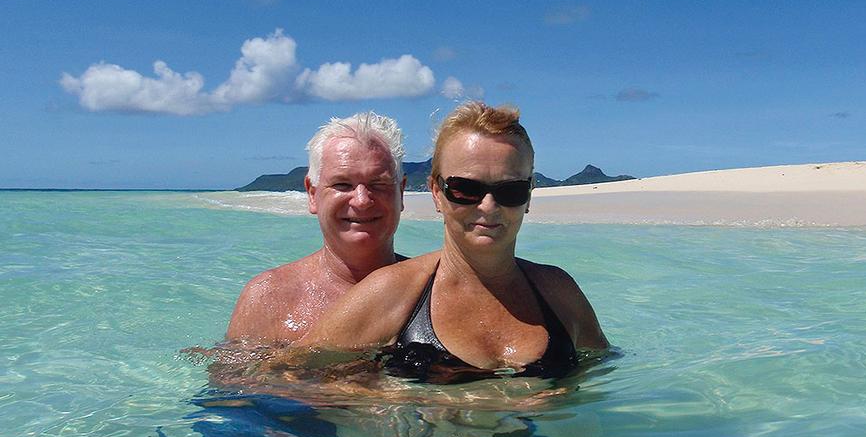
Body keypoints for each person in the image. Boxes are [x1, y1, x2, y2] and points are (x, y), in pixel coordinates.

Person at [288, 101, 607, 381]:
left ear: (529, 194)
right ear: (436, 192)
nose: (488, 206)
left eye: (510, 190)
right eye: (466, 189)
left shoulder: (559, 293)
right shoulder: (390, 293)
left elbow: (604, 377)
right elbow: (281, 378)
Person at [226, 111, 406, 344]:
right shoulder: (268, 298)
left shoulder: (435, 291)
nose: (362, 200)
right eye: (342, 184)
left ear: (400, 193)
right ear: (313, 194)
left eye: (378, 184)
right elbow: (231, 379)